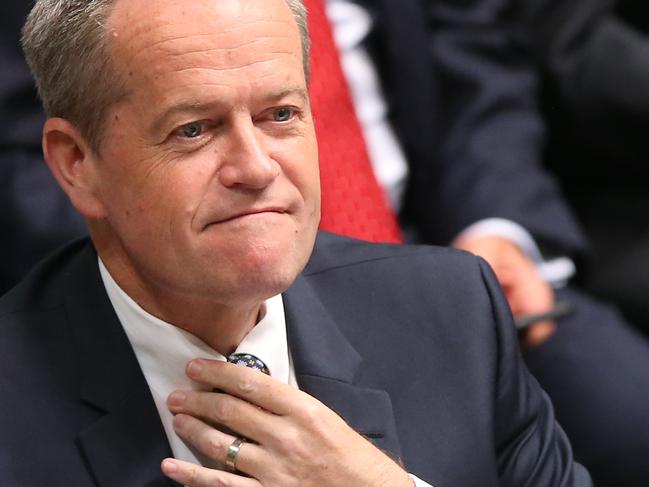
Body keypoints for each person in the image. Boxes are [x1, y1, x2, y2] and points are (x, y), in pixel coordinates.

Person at [0, 0, 592, 485]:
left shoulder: (453, 310)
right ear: (77, 163)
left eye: (280, 115)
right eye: (194, 129)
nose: (255, 168)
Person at [315, 1, 649, 485]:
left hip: (442, 251)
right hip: (271, 285)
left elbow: (474, 73)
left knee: (631, 425)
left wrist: (495, 227)